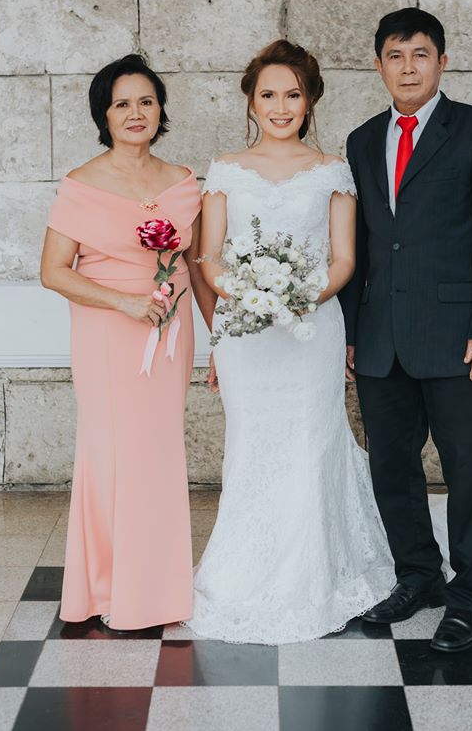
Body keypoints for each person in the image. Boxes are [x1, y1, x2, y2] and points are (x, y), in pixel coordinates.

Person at [188, 39, 392, 644]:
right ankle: (245, 567)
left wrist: (299, 295)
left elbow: (344, 258)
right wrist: (248, 296)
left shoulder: (332, 170)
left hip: (311, 328)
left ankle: (313, 571)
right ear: (251, 101)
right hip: (246, 335)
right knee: (252, 445)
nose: (280, 106)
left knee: (310, 442)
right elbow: (208, 255)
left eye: (293, 95)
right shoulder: (225, 169)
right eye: (268, 94)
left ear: (310, 100)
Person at [339, 7, 472, 651]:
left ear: (442, 62)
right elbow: (360, 245)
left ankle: (470, 594)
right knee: (391, 466)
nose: (408, 66)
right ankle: (417, 576)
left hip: (459, 339)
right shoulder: (362, 141)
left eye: (421, 54)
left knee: (469, 467)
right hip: (382, 340)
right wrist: (352, 332)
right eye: (395, 55)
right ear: (379, 65)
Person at [41, 53, 215, 631]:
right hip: (109, 333)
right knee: (110, 453)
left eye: (146, 100)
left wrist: (223, 344)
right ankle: (106, 587)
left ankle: (157, 591)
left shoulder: (183, 182)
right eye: (122, 103)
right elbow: (54, 271)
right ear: (105, 114)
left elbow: (195, 266)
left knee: (158, 453)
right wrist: (124, 303)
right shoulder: (82, 185)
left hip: (170, 336)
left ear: (160, 108)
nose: (135, 112)